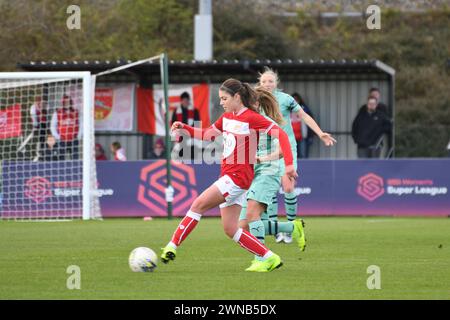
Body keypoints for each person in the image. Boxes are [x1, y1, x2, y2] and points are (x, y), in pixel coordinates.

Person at [160, 78, 297, 272]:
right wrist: (186, 128)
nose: (221, 102)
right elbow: (208, 135)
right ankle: (269, 257)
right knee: (231, 228)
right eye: (220, 99)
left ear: (237, 97)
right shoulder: (227, 118)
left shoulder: (251, 117)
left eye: (224, 98)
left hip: (236, 178)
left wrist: (289, 165)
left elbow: (281, 135)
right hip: (233, 178)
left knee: (197, 205)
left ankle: (171, 246)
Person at [259, 67, 336, 244]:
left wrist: (320, 133)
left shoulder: (286, 99)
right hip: (266, 149)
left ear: (276, 83)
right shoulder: (256, 101)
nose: (267, 84)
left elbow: (304, 116)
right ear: (260, 84)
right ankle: (278, 230)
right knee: (270, 190)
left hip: (287, 147)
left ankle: (292, 227)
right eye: (264, 81)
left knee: (287, 186)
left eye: (270, 81)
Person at [238, 87, 306, 271]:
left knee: (252, 215)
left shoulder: (267, 123)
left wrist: (262, 158)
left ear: (256, 104)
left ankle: (262, 259)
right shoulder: (244, 122)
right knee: (243, 227)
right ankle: (292, 228)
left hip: (269, 171)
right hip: (254, 173)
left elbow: (283, 150)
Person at [171, 92, 201, 161]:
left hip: (191, 139)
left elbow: (197, 125)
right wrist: (174, 140)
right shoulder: (176, 112)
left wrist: (195, 138)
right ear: (181, 101)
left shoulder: (195, 111)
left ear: (189, 101)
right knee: (179, 158)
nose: (185, 102)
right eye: (184, 100)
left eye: (187, 100)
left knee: (192, 158)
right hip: (180, 139)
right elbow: (173, 126)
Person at [50, 95, 82, 160]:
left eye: (69, 102)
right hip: (62, 140)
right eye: (65, 102)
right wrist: (57, 136)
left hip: (73, 139)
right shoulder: (57, 113)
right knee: (61, 158)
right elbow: (53, 126)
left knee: (75, 158)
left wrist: (79, 135)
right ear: (63, 103)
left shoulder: (76, 112)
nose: (67, 103)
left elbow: (81, 124)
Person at [292, 93, 315, 158]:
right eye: (293, 100)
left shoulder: (305, 110)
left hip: (303, 137)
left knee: (303, 156)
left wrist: (310, 136)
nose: (295, 101)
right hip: (291, 138)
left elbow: (310, 124)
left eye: (296, 99)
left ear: (299, 100)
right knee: (293, 156)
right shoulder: (287, 110)